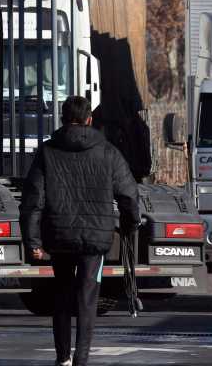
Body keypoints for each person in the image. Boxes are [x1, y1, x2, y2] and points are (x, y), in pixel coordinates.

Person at [19, 95, 140, 366]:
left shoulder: (48, 151)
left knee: (61, 293)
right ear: (90, 120)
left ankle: (62, 357)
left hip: (59, 236)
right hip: (95, 239)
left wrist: (33, 241)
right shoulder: (108, 151)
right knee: (87, 297)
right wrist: (132, 223)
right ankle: (81, 360)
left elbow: (32, 200)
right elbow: (129, 195)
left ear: (62, 119)